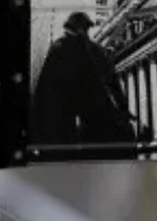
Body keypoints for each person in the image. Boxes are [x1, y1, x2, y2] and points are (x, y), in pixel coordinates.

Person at [30, 12, 139, 152]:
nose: (84, 32)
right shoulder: (89, 49)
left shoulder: (63, 48)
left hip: (79, 115)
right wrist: (122, 108)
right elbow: (112, 82)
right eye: (83, 28)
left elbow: (45, 87)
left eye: (85, 29)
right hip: (80, 113)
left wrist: (123, 108)